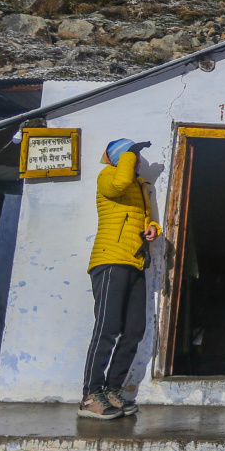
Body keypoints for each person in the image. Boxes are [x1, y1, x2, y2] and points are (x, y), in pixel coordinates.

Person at [79, 138, 159, 420]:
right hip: (110, 259)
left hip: (135, 261)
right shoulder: (109, 176)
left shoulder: (138, 186)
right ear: (120, 158)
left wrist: (152, 227)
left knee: (134, 330)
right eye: (132, 156)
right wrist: (126, 155)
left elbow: (143, 216)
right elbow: (118, 185)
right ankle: (90, 395)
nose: (137, 161)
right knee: (107, 327)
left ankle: (112, 390)